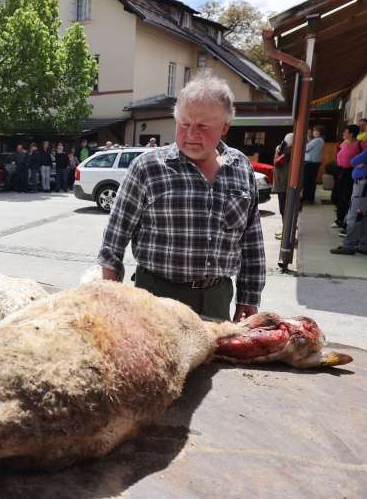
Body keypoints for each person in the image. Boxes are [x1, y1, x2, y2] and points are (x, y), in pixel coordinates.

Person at [98, 73, 265, 321]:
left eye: (202, 127)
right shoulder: (147, 167)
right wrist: (110, 300)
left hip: (216, 298)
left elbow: (251, 241)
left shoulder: (241, 167)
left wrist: (249, 297)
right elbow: (114, 238)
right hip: (155, 297)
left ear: (225, 127)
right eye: (184, 124)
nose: (191, 134)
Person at [330, 121, 367, 255]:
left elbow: (354, 161)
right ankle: (364, 245)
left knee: (355, 215)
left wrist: (358, 162)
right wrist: (359, 162)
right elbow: (357, 160)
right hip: (366, 183)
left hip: (365, 184)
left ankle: (349, 245)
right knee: (364, 215)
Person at [333, 125, 361, 230]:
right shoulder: (343, 143)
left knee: (345, 197)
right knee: (335, 196)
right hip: (340, 171)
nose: (343, 133)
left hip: (350, 172)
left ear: (352, 134)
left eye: (346, 132)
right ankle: (340, 216)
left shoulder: (359, 144)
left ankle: (342, 220)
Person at [272, 133, 293, 231]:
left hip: (287, 183)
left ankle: (287, 229)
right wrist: (283, 153)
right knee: (283, 208)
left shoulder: (294, 151)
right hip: (282, 182)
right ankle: (285, 228)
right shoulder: (280, 149)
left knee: (287, 208)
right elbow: (276, 163)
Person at [302, 125, 324, 204]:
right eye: (314, 130)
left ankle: (307, 198)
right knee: (310, 181)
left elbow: (306, 148)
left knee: (308, 181)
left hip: (311, 163)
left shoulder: (317, 140)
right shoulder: (318, 140)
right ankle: (308, 197)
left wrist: (307, 137)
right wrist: (308, 137)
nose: (314, 132)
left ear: (319, 132)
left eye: (315, 130)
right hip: (314, 163)